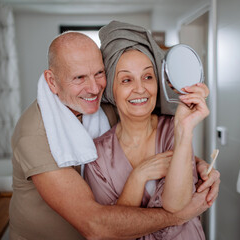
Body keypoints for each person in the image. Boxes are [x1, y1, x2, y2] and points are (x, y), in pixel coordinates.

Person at [9, 31, 220, 240]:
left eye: (99, 73)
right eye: (79, 77)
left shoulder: (104, 107)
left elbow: (152, 135)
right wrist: (178, 216)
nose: (93, 88)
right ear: (52, 81)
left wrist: (194, 165)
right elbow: (95, 225)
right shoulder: (34, 135)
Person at [84, 21, 210, 239]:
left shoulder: (173, 130)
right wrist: (139, 176)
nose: (140, 88)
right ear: (111, 90)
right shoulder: (97, 156)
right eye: (126, 79)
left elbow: (175, 204)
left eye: (147, 76)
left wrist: (185, 129)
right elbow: (112, 231)